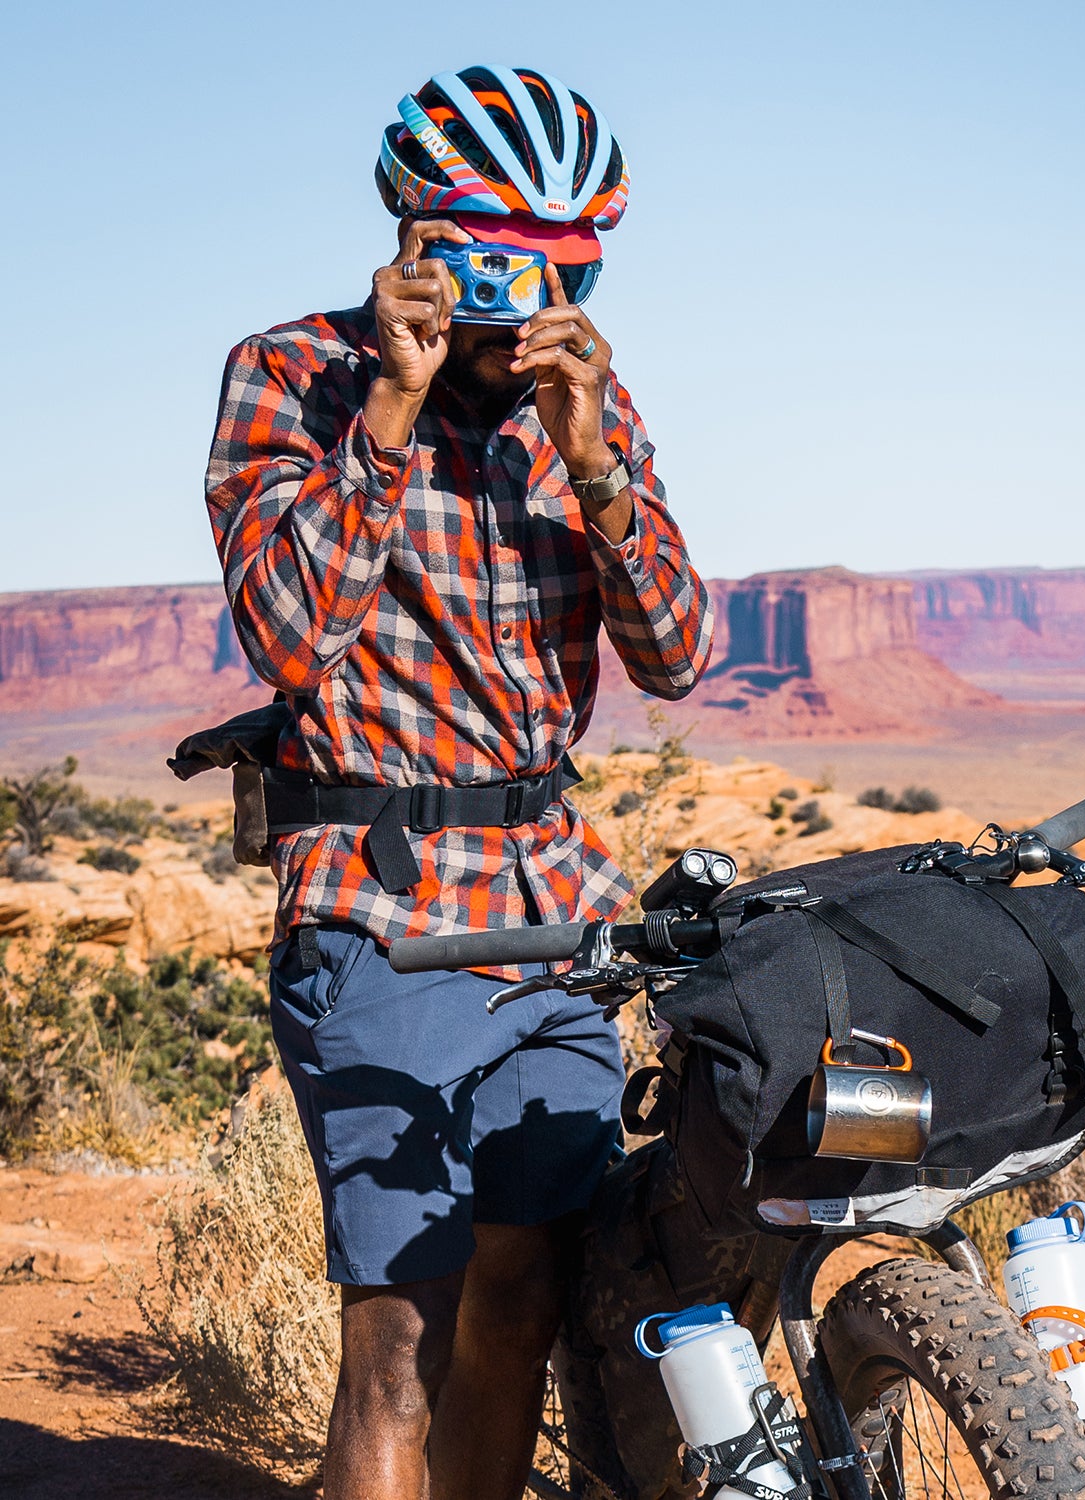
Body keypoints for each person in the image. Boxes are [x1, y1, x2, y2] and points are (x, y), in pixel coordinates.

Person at [204, 64, 714, 1500]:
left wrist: (597, 462)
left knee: (523, 1295)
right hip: (384, 915)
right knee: (401, 1342)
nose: (526, 299)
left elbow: (676, 655)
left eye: (568, 265)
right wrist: (389, 410)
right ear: (416, 242)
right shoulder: (292, 375)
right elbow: (287, 637)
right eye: (499, 260)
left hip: (554, 915)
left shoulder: (587, 409)